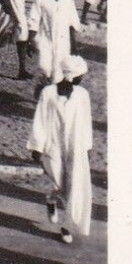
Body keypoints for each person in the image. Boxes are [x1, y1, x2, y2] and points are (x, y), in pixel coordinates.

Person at [29, 56, 94, 245]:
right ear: (73, 76)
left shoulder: (82, 95)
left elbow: (86, 121)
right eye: (81, 75)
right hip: (53, 143)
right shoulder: (48, 93)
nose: (82, 79)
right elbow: (40, 118)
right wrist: (37, 146)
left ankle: (66, 227)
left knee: (73, 186)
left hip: (76, 144)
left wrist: (87, 147)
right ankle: (51, 199)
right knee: (58, 181)